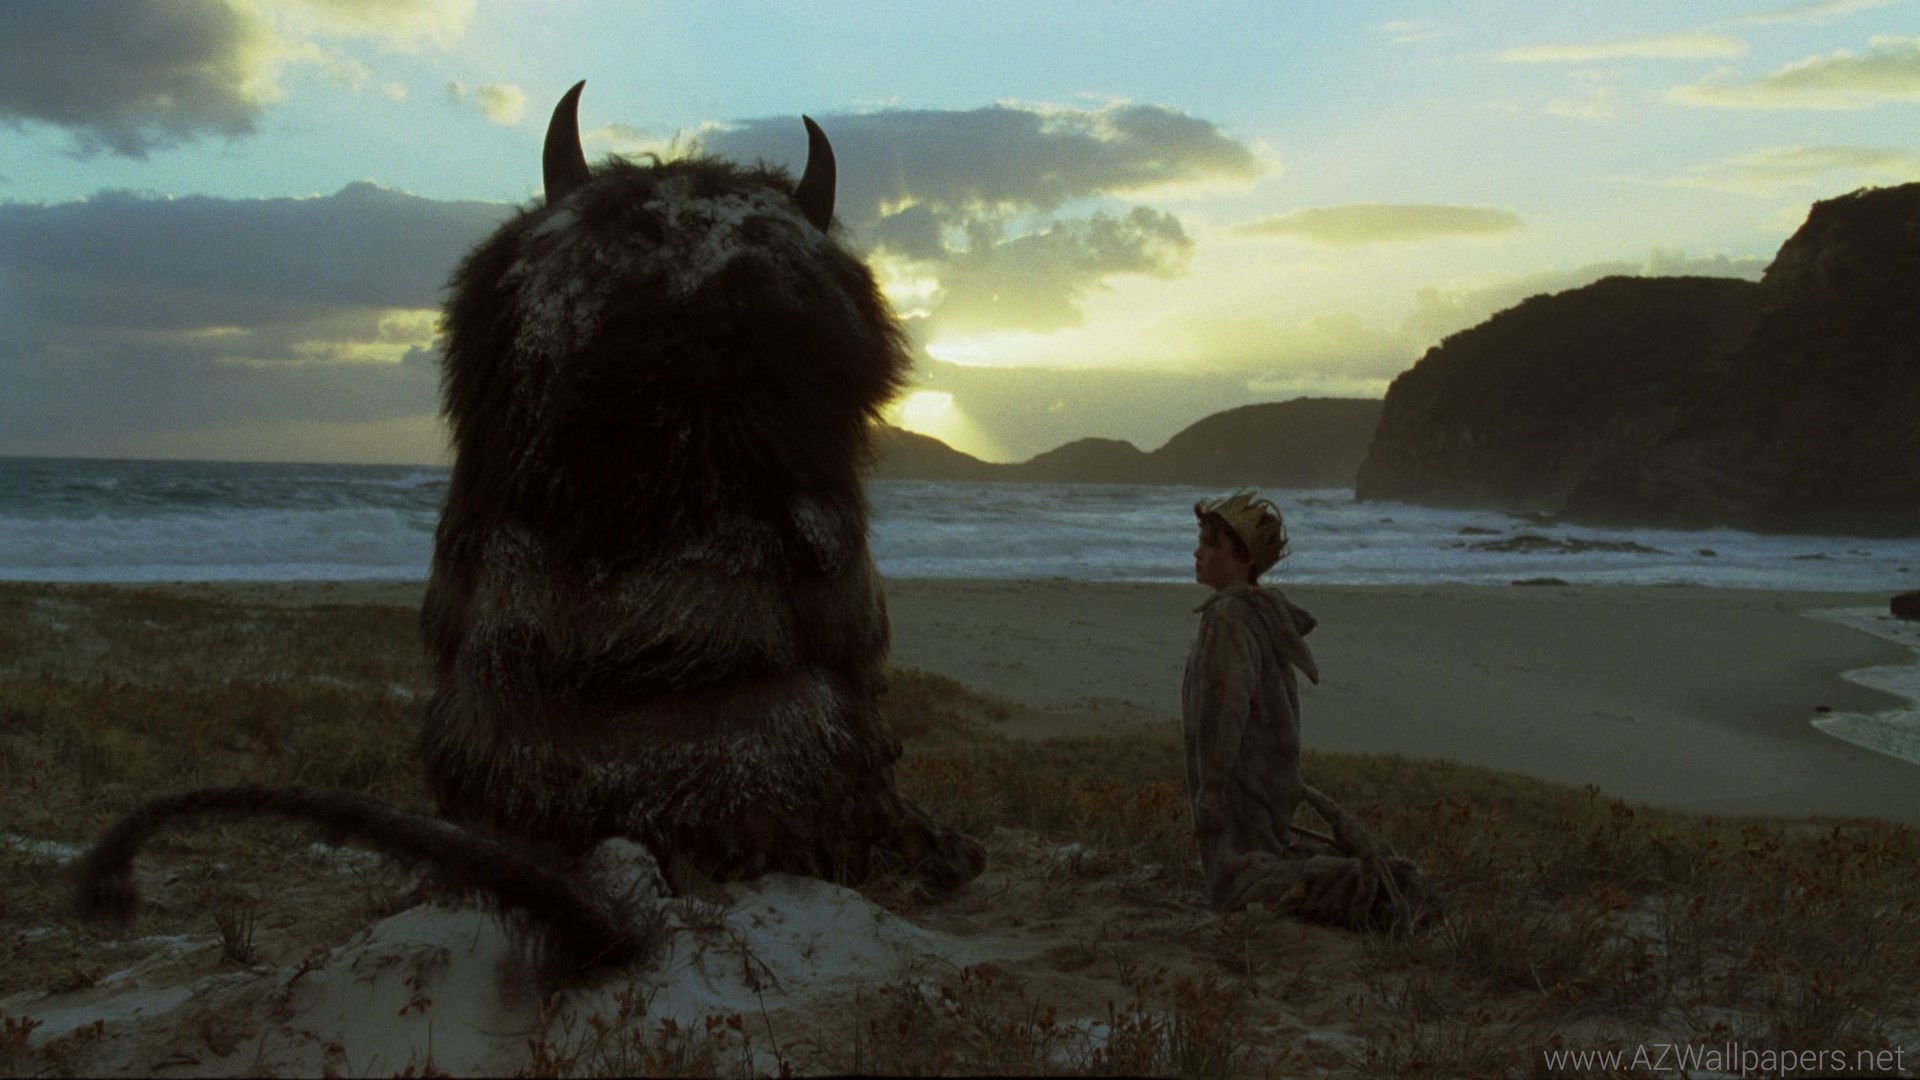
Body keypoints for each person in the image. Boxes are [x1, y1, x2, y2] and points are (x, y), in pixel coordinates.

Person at [1182, 490, 1321, 911]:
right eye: (1200, 543)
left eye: (1211, 546)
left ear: (1244, 559)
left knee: (1237, 887)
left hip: (1243, 784)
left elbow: (1225, 709)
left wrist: (1212, 789)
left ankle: (1354, 886)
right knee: (1257, 870)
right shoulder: (1262, 612)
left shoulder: (1228, 617)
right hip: (1269, 779)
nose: (1198, 553)